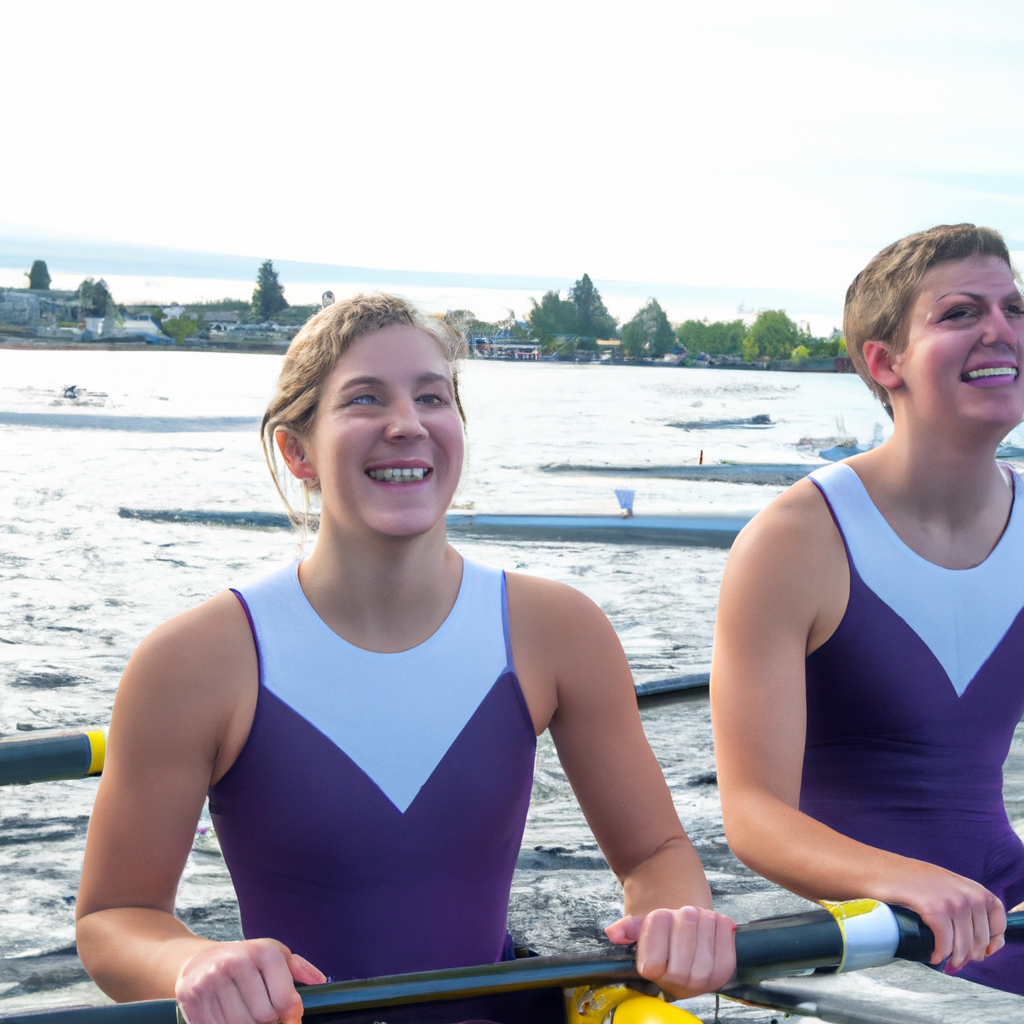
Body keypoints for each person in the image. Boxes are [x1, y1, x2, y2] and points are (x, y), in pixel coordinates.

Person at [76, 293, 736, 1024]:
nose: (406, 423)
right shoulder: (192, 662)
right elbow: (116, 917)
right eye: (365, 399)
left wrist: (678, 919)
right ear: (298, 451)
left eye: (432, 396)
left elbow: (655, 854)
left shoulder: (560, 630)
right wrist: (191, 960)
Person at [711, 223, 1024, 995]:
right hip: (864, 934)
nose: (1002, 330)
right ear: (885, 363)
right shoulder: (790, 543)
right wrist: (911, 881)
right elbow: (752, 817)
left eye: (1016, 309)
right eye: (960, 313)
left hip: (1002, 908)